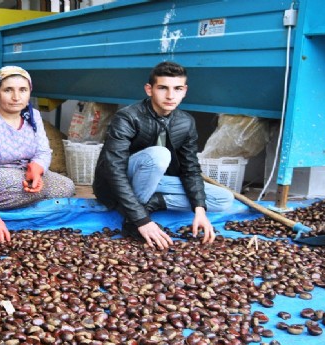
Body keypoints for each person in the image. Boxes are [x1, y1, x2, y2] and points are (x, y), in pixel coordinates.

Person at [93, 61, 233, 249]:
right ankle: (134, 220)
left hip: (155, 179)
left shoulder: (186, 122)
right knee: (158, 155)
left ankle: (153, 202)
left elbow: (190, 169)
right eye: (163, 88)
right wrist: (142, 220)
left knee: (223, 199)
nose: (170, 95)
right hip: (117, 181)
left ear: (185, 91)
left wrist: (199, 211)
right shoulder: (128, 117)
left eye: (177, 89)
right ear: (149, 89)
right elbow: (114, 169)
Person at [0, 66, 75, 242]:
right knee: (21, 186)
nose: (16, 97)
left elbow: (43, 151)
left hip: (21, 175)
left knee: (66, 186)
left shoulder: (33, 116)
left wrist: (37, 169)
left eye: (23, 90)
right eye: (8, 90)